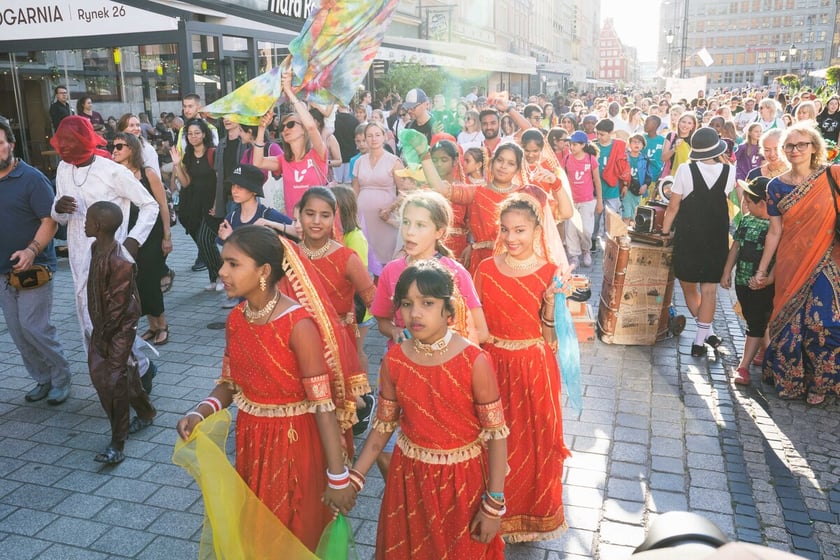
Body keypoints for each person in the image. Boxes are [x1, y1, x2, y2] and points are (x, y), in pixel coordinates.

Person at [175, 226, 355, 552]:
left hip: (295, 446)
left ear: (264, 271)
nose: (222, 271)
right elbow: (230, 384)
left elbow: (324, 406)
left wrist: (338, 477)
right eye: (223, 262)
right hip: (253, 442)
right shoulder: (237, 319)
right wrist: (200, 410)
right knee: (256, 533)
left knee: (293, 533)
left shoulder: (297, 325)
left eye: (233, 264)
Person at [349, 260, 508, 558]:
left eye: (428, 303)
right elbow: (383, 426)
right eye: (407, 304)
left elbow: (497, 435)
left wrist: (494, 505)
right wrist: (354, 478)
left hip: (462, 484)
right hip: (409, 481)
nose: (415, 313)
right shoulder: (395, 361)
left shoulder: (474, 361)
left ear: (449, 310)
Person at [473, 190, 570, 542]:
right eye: (506, 230)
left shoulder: (549, 272)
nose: (512, 238)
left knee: (534, 441)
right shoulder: (484, 268)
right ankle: (492, 513)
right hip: (493, 365)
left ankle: (530, 516)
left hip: (533, 366)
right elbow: (475, 325)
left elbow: (551, 336)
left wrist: (549, 304)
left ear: (536, 230)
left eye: (520, 230)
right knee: (493, 439)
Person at [50, 116, 159, 393]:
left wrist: (133, 240)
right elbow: (60, 219)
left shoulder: (113, 171)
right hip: (78, 259)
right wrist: (57, 208)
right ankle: (107, 375)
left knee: (114, 322)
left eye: (72, 144)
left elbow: (150, 205)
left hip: (111, 261)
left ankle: (139, 372)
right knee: (89, 323)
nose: (67, 150)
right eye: (63, 145)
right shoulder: (63, 168)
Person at [754, 123, 840, 404]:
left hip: (827, 258)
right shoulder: (775, 186)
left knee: (823, 323)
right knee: (790, 323)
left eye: (802, 144)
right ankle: (789, 380)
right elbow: (775, 231)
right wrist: (763, 269)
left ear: (814, 147)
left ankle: (821, 384)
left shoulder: (833, 176)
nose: (795, 150)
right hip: (791, 261)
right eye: (789, 146)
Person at [0, 117, 71, 404]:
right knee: (17, 332)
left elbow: (50, 221)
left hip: (35, 267)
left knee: (34, 326)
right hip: (3, 271)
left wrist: (31, 250)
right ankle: (42, 378)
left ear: (11, 145)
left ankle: (61, 377)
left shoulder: (32, 179)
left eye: (0, 143)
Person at [295, 187, 376, 434]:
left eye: (325, 215)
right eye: (310, 214)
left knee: (334, 413)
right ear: (299, 215)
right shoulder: (289, 256)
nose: (317, 221)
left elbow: (374, 300)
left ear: (334, 218)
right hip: (299, 343)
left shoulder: (346, 257)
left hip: (336, 345)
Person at [84, 201, 157, 464]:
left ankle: (117, 442)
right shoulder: (96, 248)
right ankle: (146, 412)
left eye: (89, 219)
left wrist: (102, 335)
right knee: (115, 375)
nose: (84, 223)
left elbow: (118, 307)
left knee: (111, 381)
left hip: (118, 328)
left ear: (99, 226)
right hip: (103, 325)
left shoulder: (120, 261)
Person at [661, 127, 735, 358]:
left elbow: (673, 207)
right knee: (710, 291)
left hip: (689, 235)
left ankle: (701, 339)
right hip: (716, 236)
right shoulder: (729, 171)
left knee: (688, 285)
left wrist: (664, 232)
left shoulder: (685, 169)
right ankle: (704, 337)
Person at [111, 132, 172, 347]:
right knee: (137, 281)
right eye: (114, 146)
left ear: (132, 149)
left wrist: (167, 236)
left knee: (149, 280)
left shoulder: (147, 173)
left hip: (151, 235)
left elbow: (162, 205)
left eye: (120, 146)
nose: (115, 150)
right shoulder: (115, 174)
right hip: (128, 236)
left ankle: (162, 325)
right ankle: (152, 325)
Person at [721, 177, 774, 386]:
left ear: (762, 203)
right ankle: (765, 353)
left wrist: (768, 279)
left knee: (756, 324)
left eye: (749, 202)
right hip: (742, 282)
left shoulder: (775, 225)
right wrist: (727, 271)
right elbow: (736, 247)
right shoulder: (747, 219)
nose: (745, 205)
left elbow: (779, 258)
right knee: (753, 318)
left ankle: (743, 367)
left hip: (761, 284)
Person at [252, 71, 328, 216]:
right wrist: (261, 129)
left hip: (317, 220)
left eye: (291, 124)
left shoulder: (317, 154)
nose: (286, 129)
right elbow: (258, 162)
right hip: (294, 223)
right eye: (282, 126)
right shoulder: (283, 160)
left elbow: (311, 127)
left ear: (303, 130)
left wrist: (289, 92)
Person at [170, 119, 223, 296]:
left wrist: (217, 204)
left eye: (197, 133)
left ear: (204, 134)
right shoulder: (189, 156)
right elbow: (186, 182)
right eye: (190, 134)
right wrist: (177, 164)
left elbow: (219, 182)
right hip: (193, 206)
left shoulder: (213, 153)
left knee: (205, 239)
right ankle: (214, 277)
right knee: (203, 243)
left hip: (211, 205)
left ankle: (222, 275)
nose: (193, 137)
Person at [352, 122, 405, 276]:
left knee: (387, 257)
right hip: (363, 218)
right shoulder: (359, 162)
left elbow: (404, 191)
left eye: (377, 135)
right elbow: (355, 191)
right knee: (365, 255)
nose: (373, 139)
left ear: (384, 137)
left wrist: (390, 208)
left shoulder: (393, 161)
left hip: (385, 217)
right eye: (369, 135)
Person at [217, 164, 293, 242]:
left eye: (240, 187)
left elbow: (299, 231)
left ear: (254, 191)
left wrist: (272, 224)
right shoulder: (231, 218)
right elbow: (222, 248)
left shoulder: (268, 215)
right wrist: (227, 239)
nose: (234, 191)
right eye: (233, 185)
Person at [562, 131, 603, 268]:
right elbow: (562, 178)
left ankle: (586, 250)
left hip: (587, 200)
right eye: (570, 144)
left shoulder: (591, 159)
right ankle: (573, 255)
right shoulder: (567, 159)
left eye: (574, 144)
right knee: (571, 229)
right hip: (571, 201)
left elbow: (597, 181)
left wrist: (600, 201)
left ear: (583, 145)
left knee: (586, 229)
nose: (571, 147)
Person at [117, 113, 161, 181]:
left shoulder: (147, 149)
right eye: (131, 125)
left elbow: (156, 177)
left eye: (138, 125)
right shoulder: (117, 148)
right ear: (122, 129)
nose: (136, 128)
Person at [623, 134, 649, 224]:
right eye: (634, 142)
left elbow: (648, 175)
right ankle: (623, 234)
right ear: (629, 144)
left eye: (639, 142)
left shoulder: (645, 159)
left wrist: (645, 185)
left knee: (634, 214)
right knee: (626, 214)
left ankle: (630, 234)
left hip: (638, 190)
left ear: (643, 146)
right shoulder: (625, 157)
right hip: (627, 189)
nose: (636, 144)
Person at [332, 104, 360, 183]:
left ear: (338, 107)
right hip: (351, 156)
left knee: (336, 183)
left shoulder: (334, 120)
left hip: (336, 156)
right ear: (348, 107)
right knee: (349, 184)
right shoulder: (355, 121)